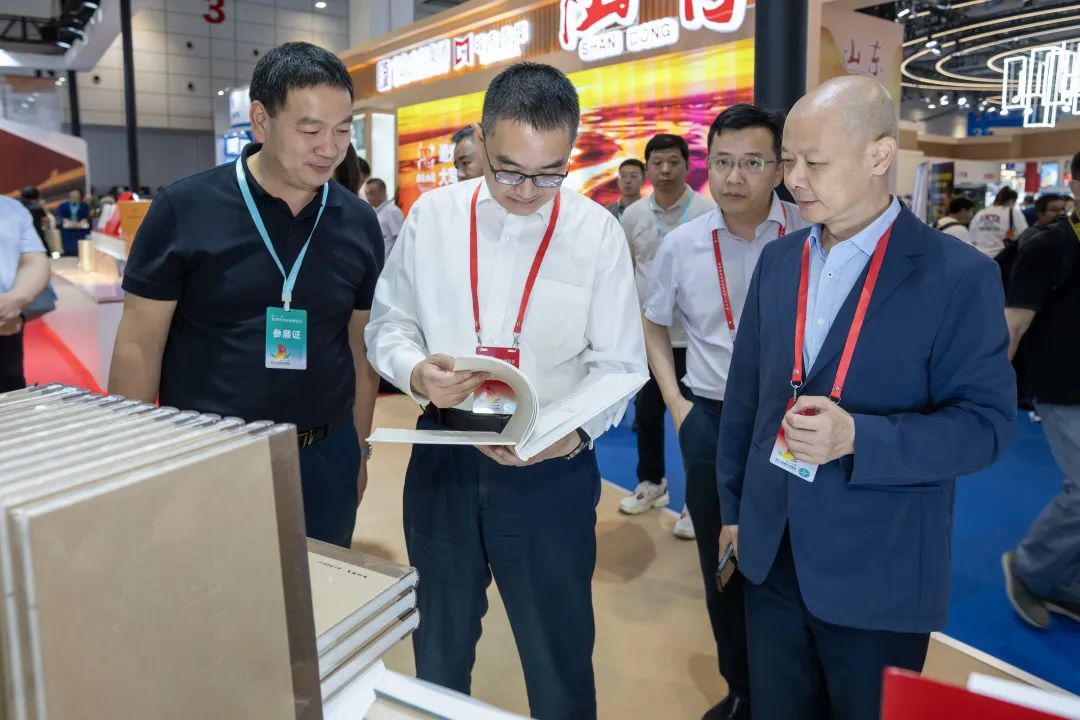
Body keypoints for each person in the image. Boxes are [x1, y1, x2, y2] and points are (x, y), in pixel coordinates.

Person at [716, 75, 1015, 720]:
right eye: (787, 161)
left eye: (815, 162)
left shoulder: (958, 275)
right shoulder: (780, 260)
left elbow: (986, 425)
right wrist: (734, 508)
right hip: (770, 552)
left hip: (878, 566)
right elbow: (747, 400)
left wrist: (859, 437)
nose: (794, 180)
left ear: (880, 156)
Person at [365, 62, 646, 720]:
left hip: (551, 468)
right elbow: (390, 324)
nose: (527, 191)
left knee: (557, 653)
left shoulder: (595, 232)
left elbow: (620, 364)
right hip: (446, 455)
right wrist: (417, 372)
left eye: (550, 174)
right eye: (509, 170)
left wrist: (567, 437)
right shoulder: (434, 216)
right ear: (482, 139)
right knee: (438, 643)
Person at [108, 42, 384, 548]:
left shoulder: (359, 222)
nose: (330, 148)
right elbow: (138, 345)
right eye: (310, 130)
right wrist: (131, 460)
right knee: (212, 588)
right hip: (208, 455)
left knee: (319, 590)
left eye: (343, 130)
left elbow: (360, 350)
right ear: (261, 121)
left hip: (322, 459)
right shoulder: (184, 209)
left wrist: (358, 453)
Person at [644, 104, 805, 720]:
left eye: (753, 163)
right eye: (723, 162)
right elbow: (653, 323)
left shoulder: (810, 233)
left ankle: (791, 690)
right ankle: (741, 688)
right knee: (724, 560)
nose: (734, 177)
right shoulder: (682, 245)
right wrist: (677, 404)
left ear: (779, 170)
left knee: (794, 555)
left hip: (793, 420)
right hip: (710, 419)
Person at [619, 133, 713, 537]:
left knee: (696, 421)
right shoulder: (633, 215)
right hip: (650, 337)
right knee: (647, 415)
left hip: (696, 339)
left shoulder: (707, 212)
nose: (666, 170)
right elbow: (625, 271)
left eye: (673, 161)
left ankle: (697, 501)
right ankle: (652, 482)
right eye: (657, 162)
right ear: (648, 167)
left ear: (687, 165)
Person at [1001, 151, 1080, 629]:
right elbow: (1012, 325)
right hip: (1061, 387)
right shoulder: (1049, 246)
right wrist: (984, 396)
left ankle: (1064, 580)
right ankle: (1029, 570)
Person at [0, 196, 51, 392]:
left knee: (9, 397)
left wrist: (17, 300)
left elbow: (34, 260)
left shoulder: (11, 208)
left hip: (8, 327)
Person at [968, 187, 1028, 259]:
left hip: (980, 256)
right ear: (1011, 200)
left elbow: (972, 237)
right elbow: (1024, 234)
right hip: (1003, 257)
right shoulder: (1013, 212)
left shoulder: (981, 213)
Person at [364, 178, 405, 260]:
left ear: (383, 192)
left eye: (372, 193)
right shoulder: (373, 211)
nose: (368, 197)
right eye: (366, 193)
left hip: (389, 262)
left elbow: (402, 240)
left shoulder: (392, 211)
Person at [56, 187, 91, 257]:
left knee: (80, 245)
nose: (74, 196)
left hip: (80, 229)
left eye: (76, 194)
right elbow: (61, 217)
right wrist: (71, 224)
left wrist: (78, 225)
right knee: (67, 245)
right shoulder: (63, 205)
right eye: (72, 194)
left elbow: (86, 217)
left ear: (80, 195)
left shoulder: (85, 206)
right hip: (67, 229)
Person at [18, 187, 50, 253]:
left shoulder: (18, 208)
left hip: (22, 240)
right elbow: (46, 222)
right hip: (38, 237)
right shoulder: (38, 208)